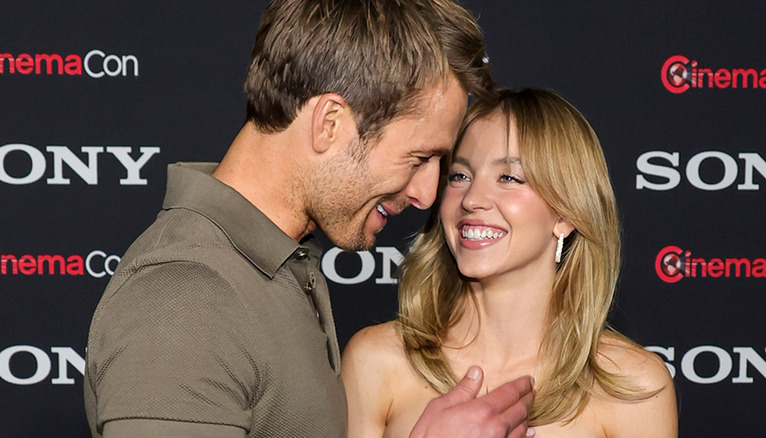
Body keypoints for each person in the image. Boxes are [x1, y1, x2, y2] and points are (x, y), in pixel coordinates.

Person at [83, 1, 536, 437]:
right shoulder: (186, 299)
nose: (425, 195)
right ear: (329, 123)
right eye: (419, 158)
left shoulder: (267, 266)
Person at [342, 88, 678, 437]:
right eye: (460, 176)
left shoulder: (633, 387)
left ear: (565, 213)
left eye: (509, 178)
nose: (472, 199)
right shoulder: (377, 361)